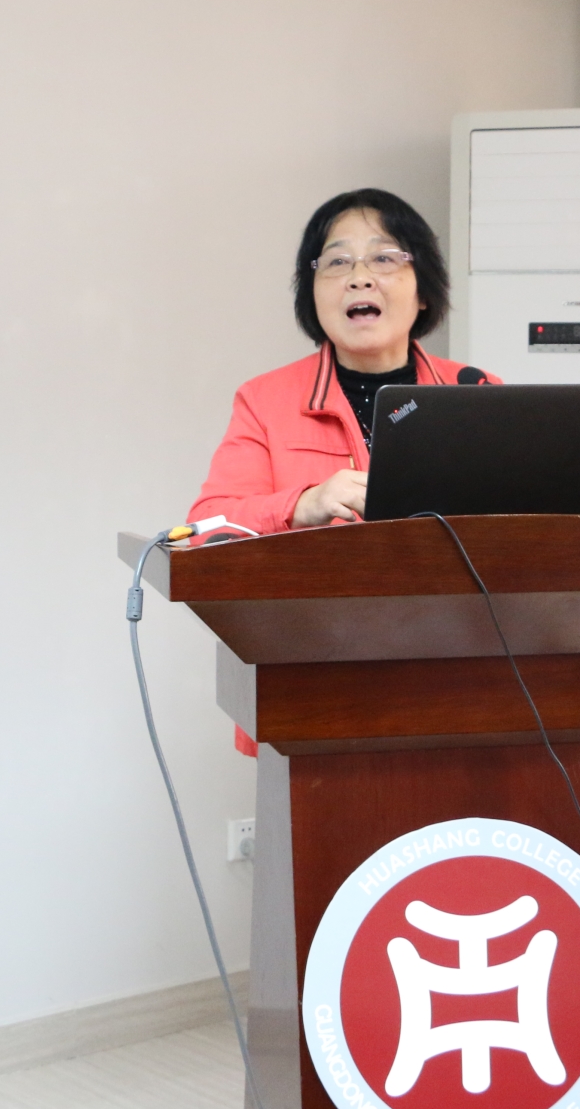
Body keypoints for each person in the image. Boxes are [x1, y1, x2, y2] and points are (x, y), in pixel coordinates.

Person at [188, 188, 500, 754]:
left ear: (423, 290)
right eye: (337, 262)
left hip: (458, 683)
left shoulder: (475, 392)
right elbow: (206, 529)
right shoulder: (265, 400)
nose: (359, 277)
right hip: (312, 686)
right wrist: (300, 504)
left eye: (384, 257)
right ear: (313, 294)